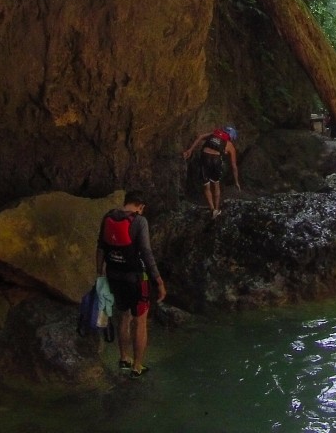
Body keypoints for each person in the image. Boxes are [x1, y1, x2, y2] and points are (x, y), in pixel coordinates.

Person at [96, 190, 166, 378]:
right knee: (140, 321)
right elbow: (146, 252)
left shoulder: (108, 217)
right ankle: (137, 366)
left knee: (124, 317)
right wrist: (158, 280)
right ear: (140, 206)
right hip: (136, 278)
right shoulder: (139, 221)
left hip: (114, 276)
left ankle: (123, 358)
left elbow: (101, 247)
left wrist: (100, 274)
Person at [183, 125, 240, 217]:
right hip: (216, 160)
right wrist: (236, 182)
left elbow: (200, 137)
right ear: (231, 136)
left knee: (206, 186)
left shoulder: (213, 134)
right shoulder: (229, 145)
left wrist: (190, 150)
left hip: (204, 157)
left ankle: (212, 208)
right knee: (216, 185)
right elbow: (234, 166)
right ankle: (216, 210)